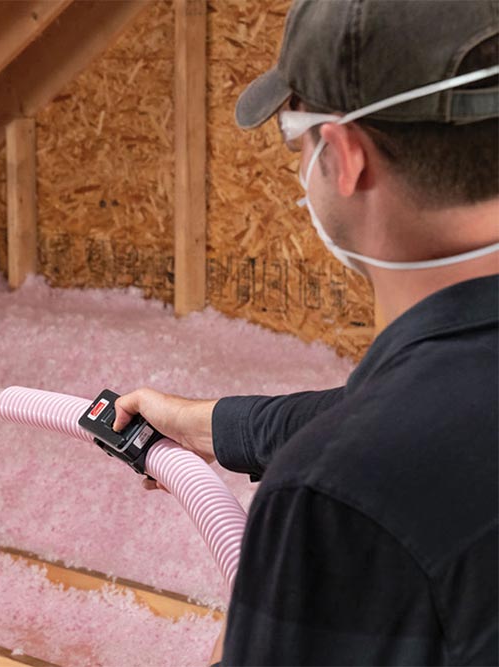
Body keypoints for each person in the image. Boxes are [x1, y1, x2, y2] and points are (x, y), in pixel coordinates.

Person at [113, 1, 499, 664]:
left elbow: (375, 454)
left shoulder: (331, 501)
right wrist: (207, 423)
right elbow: (413, 415)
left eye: (299, 142)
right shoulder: (436, 409)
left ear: (344, 156)